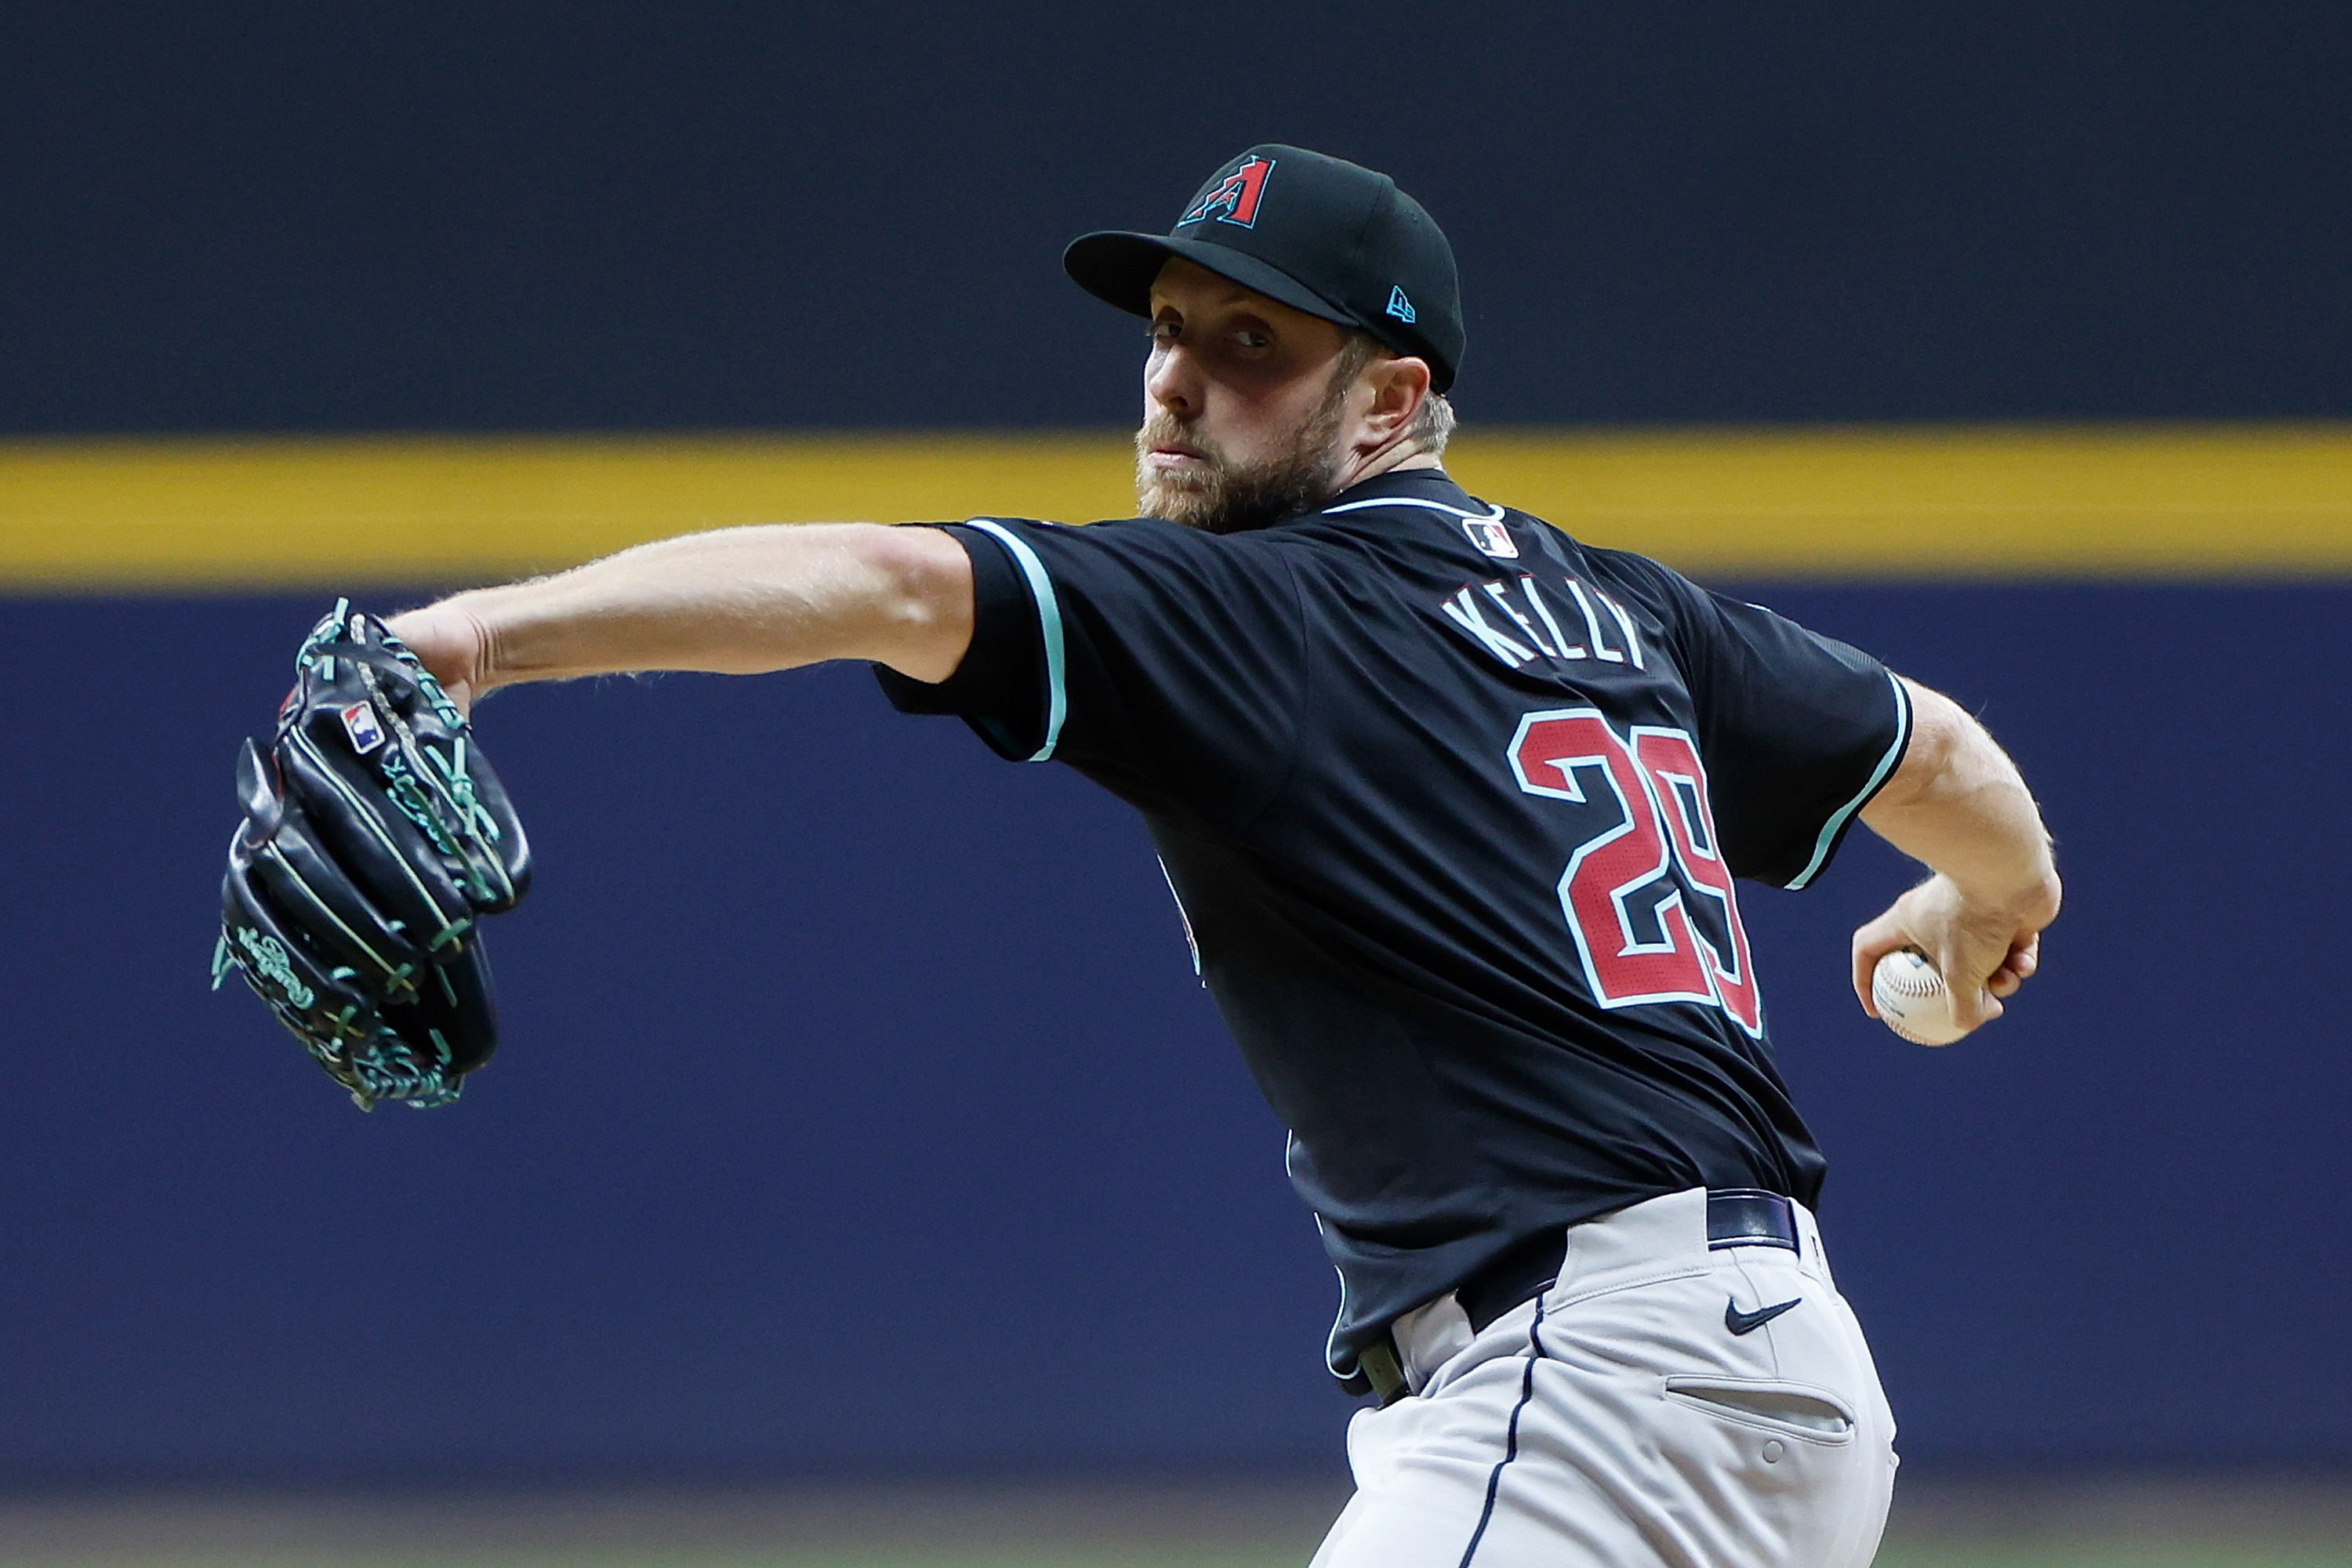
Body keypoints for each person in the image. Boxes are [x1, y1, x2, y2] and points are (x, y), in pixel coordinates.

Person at [388, 146, 2060, 1566]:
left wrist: (466, 638)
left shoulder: (1269, 608)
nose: (1178, 378)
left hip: (1595, 1395)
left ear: (1392, 400)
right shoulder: (1623, 611)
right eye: (1169, 330)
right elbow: (1940, 753)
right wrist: (1997, 901)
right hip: (1774, 1381)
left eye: (1251, 340)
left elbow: (886, 588)